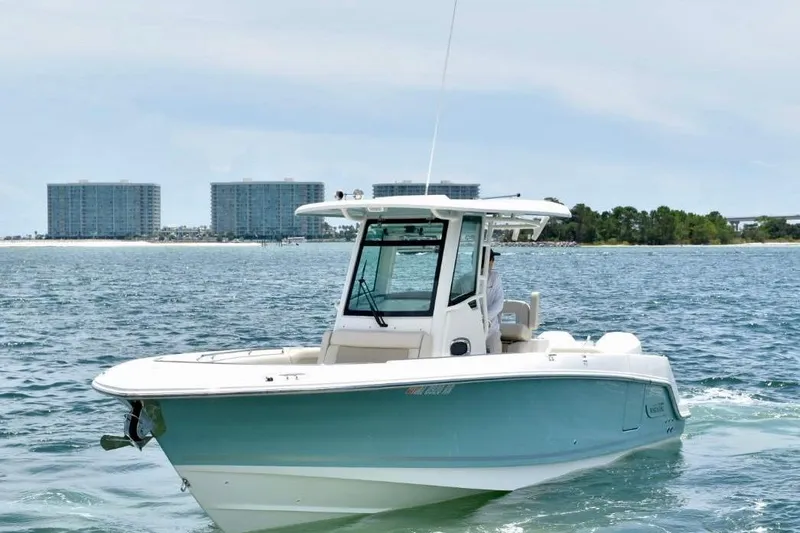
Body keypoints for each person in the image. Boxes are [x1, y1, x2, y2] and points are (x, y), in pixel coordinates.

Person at [485, 249, 504, 353]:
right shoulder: (495, 277)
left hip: (475, 327)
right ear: (490, 261)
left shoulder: (464, 279)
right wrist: (484, 319)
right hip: (491, 329)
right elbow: (499, 303)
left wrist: (481, 319)